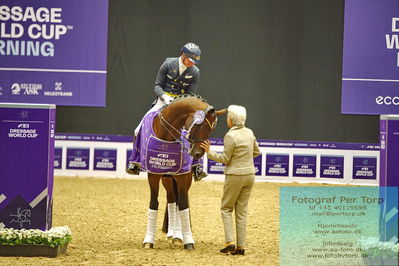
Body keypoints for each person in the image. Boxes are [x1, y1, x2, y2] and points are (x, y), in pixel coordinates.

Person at [127, 42, 207, 180]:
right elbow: (157, 86)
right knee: (137, 129)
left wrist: (179, 103)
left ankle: (197, 167)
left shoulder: (195, 72)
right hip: (162, 100)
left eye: (194, 61)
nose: (192, 64)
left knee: (195, 129)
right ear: (183, 55)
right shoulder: (168, 64)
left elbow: (190, 94)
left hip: (181, 105)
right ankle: (135, 162)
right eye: (190, 60)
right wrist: (165, 97)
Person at [200, 105, 260, 255]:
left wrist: (209, 152)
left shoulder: (230, 136)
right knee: (242, 212)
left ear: (231, 120)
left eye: (227, 117)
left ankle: (229, 242)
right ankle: (241, 246)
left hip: (235, 176)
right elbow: (256, 152)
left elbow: (225, 159)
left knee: (226, 208)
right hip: (250, 175)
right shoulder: (250, 132)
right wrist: (244, 160)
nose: (227, 119)